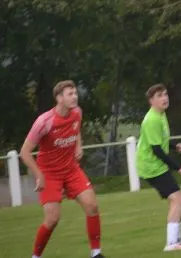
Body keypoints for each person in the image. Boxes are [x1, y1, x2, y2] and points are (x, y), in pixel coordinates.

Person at [19, 80, 105, 258]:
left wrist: (78, 145)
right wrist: (39, 175)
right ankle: (35, 256)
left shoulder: (77, 112)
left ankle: (96, 253)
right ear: (59, 98)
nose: (75, 97)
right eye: (70, 94)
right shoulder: (44, 122)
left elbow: (76, 129)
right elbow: (24, 153)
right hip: (49, 174)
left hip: (71, 169)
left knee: (92, 206)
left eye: (75, 93)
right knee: (52, 219)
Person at [136, 84, 181, 251]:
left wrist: (175, 146)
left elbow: (161, 140)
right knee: (177, 199)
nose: (164, 98)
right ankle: (171, 243)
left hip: (156, 165)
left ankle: (178, 239)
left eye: (165, 94)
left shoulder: (160, 114)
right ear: (151, 101)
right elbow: (157, 150)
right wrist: (179, 167)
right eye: (159, 96)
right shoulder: (152, 119)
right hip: (151, 167)